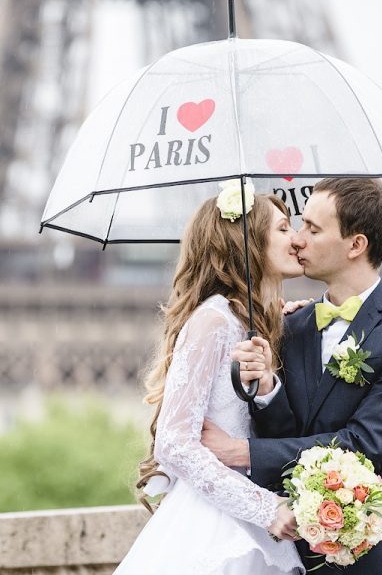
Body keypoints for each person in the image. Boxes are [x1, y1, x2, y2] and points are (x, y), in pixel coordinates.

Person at [201, 177, 382, 574]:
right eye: (299, 226)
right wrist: (266, 389)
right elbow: (291, 429)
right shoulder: (292, 326)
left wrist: (241, 452)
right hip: (297, 552)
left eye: (313, 229)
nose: (297, 239)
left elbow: (364, 444)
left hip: (378, 555)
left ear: (355, 245)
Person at [114, 181, 306, 574]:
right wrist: (265, 509)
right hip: (216, 525)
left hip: (243, 518)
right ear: (247, 241)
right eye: (284, 228)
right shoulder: (213, 320)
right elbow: (174, 443)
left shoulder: (253, 323)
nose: (297, 238)